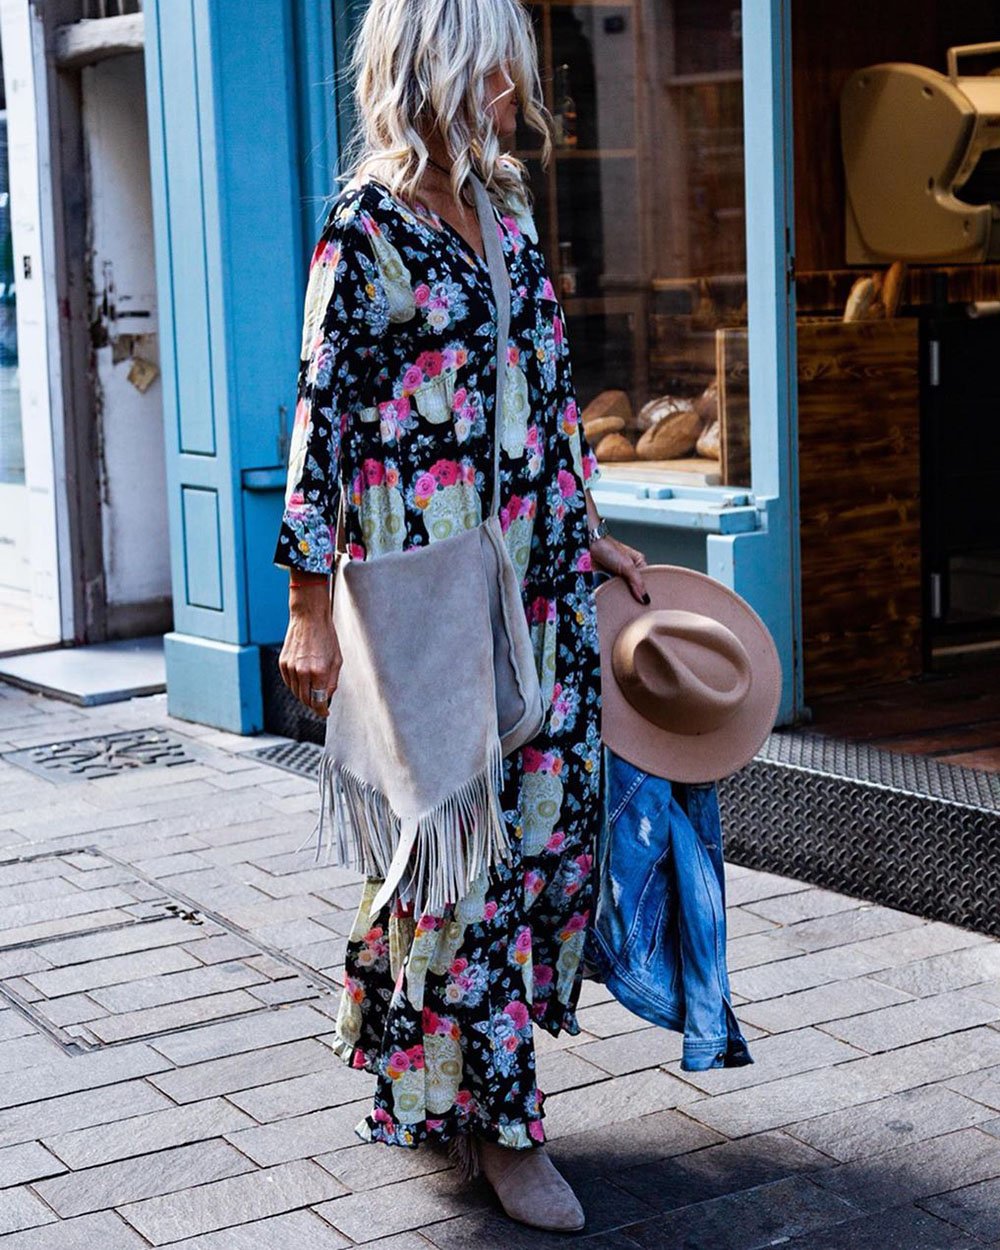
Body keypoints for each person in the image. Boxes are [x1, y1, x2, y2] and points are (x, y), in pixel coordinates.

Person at [273, 0, 647, 1232]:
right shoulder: (367, 226)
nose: (514, 92)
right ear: (434, 68)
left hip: (535, 577)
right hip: (425, 588)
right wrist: (309, 605)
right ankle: (502, 1128)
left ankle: (430, 1072)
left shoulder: (506, 208)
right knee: (463, 856)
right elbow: (322, 414)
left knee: (540, 837)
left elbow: (545, 389)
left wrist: (586, 525)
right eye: (495, 69)